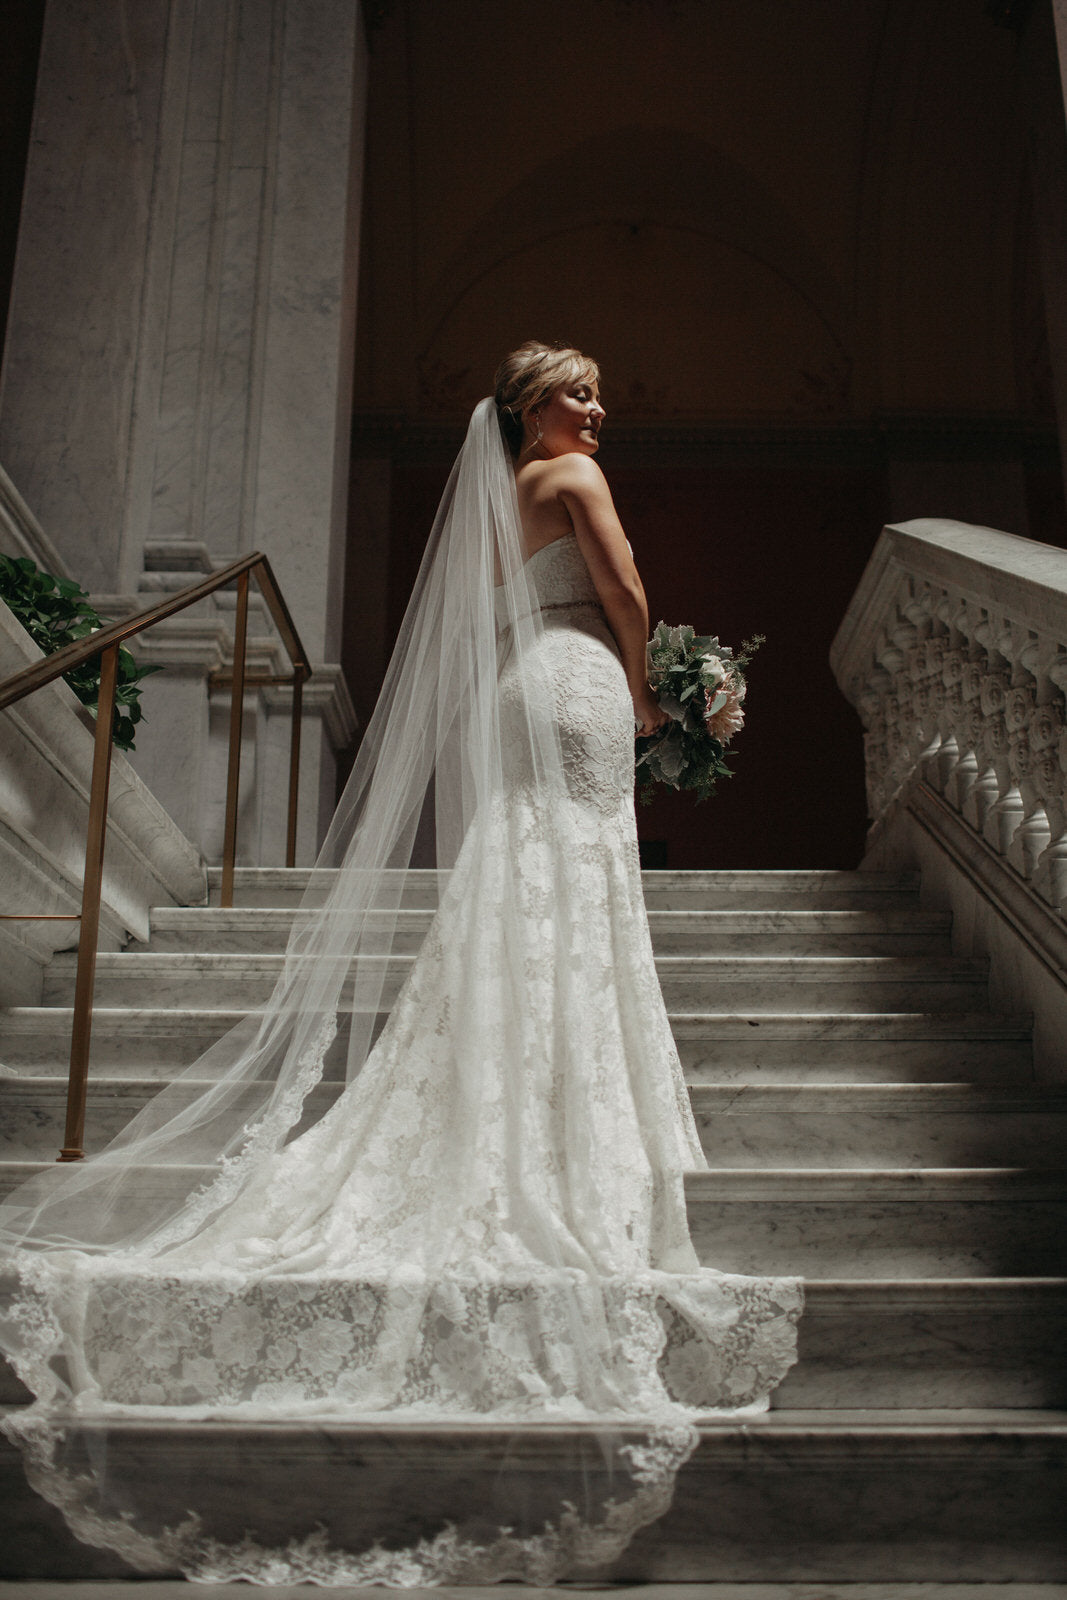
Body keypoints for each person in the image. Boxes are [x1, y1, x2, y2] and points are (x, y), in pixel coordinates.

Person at [0, 342, 801, 1585]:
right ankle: (559, 1136)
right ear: (525, 405)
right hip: (579, 684)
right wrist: (654, 694)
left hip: (519, 687)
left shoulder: (500, 496)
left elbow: (499, 614)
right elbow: (627, 591)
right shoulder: (572, 481)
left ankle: (510, 1106)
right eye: (574, 391)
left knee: (521, 884)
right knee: (572, 889)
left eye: (599, 395)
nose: (595, 411)